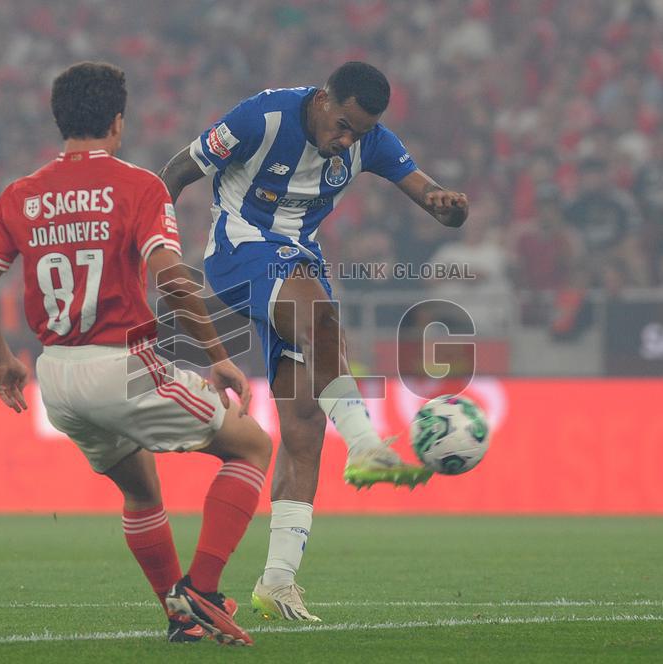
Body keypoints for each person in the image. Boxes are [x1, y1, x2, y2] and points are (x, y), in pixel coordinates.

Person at [0, 61, 272, 647]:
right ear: (118, 121)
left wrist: (2, 360)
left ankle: (181, 617)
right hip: (122, 365)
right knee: (253, 446)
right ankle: (202, 592)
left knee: (140, 491)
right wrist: (218, 355)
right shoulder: (139, 187)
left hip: (58, 378)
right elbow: (173, 279)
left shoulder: (21, 195)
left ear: (61, 121)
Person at [159, 61, 468, 621]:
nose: (347, 139)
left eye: (359, 132)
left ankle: (276, 581)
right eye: (343, 125)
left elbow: (429, 196)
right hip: (239, 250)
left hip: (301, 261)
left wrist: (450, 206)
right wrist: (154, 244)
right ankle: (369, 448)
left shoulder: (369, 140)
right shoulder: (262, 117)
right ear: (325, 99)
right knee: (323, 320)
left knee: (303, 426)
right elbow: (176, 172)